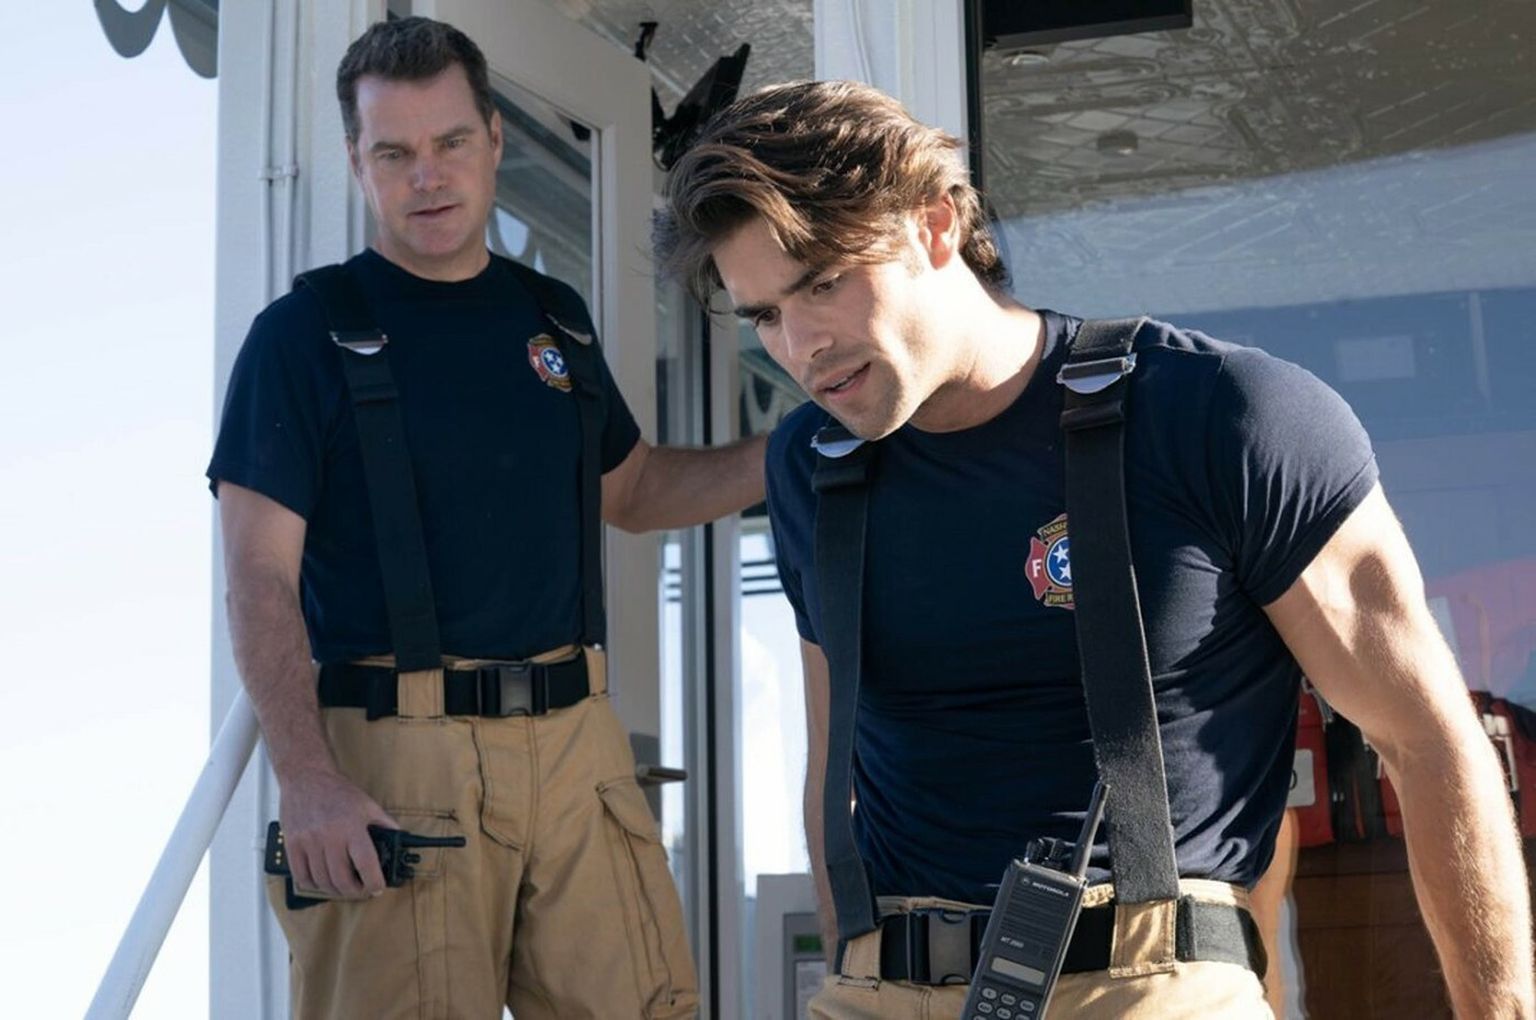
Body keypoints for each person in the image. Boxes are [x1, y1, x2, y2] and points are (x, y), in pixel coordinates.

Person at [655, 80, 1534, 1019]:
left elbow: (1426, 740)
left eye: (823, 281)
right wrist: (852, 966)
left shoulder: (1220, 415)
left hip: (1146, 979)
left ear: (936, 224)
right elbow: (835, 766)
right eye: (763, 315)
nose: (800, 346)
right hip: (878, 986)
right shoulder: (810, 466)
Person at [208, 17, 763, 1020]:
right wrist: (309, 780)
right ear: (357, 163)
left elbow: (635, 490)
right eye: (395, 153)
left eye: (451, 141)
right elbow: (257, 578)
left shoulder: (554, 318)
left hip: (579, 747)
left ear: (495, 139)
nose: (428, 176)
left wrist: (799, 448)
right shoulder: (302, 335)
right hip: (395, 759)